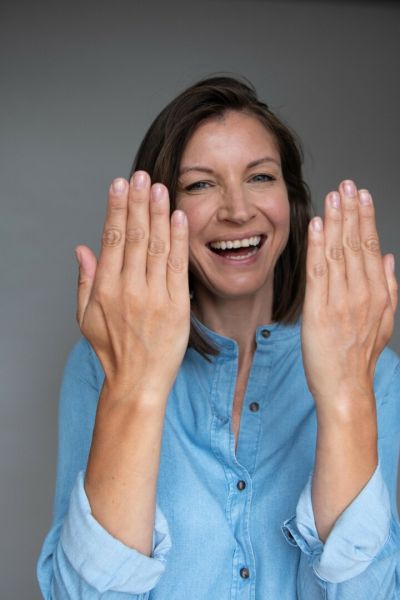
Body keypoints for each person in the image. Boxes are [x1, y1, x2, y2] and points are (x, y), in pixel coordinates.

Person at [37, 76, 400, 599]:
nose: (236, 209)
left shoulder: (375, 370)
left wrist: (345, 398)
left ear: (292, 202)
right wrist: (135, 387)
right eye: (200, 184)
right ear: (162, 215)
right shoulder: (100, 363)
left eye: (260, 177)